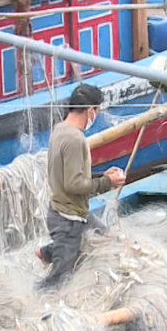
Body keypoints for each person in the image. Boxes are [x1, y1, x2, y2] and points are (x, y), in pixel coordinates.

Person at [36, 84, 124, 289]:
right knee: (60, 279)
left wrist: (103, 175)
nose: (97, 115)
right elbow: (74, 184)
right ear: (90, 110)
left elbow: (71, 174)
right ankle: (38, 295)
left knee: (107, 237)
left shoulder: (60, 129)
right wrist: (107, 183)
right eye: (97, 110)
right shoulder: (75, 139)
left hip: (73, 212)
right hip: (68, 218)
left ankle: (47, 251)